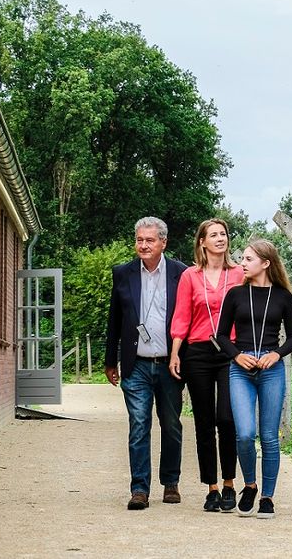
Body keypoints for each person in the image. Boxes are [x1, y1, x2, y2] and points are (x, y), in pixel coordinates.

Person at [105, 216, 188, 510]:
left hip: (169, 364)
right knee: (138, 424)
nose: (143, 245)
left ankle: (171, 482)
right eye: (139, 240)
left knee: (171, 424)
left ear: (163, 242)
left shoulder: (182, 273)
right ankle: (139, 488)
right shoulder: (123, 273)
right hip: (136, 363)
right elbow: (114, 319)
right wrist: (109, 360)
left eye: (149, 240)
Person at [214, 239, 292, 519]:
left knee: (269, 436)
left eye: (248, 259)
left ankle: (267, 497)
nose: (242, 263)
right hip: (241, 368)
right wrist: (237, 356)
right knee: (245, 433)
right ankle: (249, 484)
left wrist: (276, 354)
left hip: (271, 368)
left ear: (266, 263)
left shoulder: (283, 297)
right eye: (243, 258)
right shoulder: (236, 294)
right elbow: (222, 335)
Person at [168, 218, 245, 512]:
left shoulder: (238, 273)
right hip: (197, 351)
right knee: (203, 421)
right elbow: (182, 316)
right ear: (202, 242)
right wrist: (176, 352)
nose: (220, 238)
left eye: (223, 234)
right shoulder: (190, 276)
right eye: (213, 235)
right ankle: (211, 487)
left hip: (229, 351)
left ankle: (229, 483)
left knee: (226, 417)